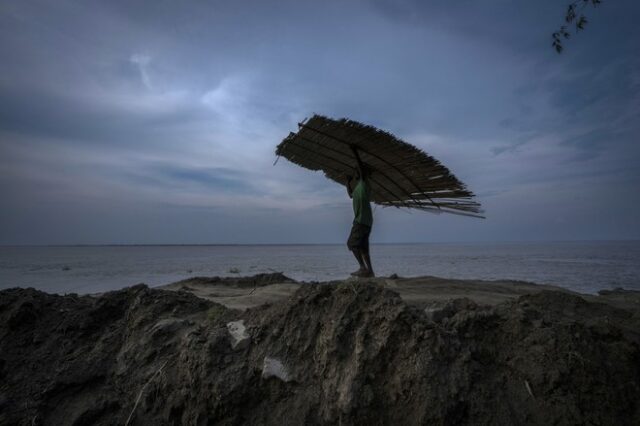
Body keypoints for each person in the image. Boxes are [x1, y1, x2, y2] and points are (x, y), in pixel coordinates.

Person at [346, 146, 374, 278]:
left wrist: (354, 152)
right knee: (363, 248)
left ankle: (363, 268)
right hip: (366, 221)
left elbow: (361, 169)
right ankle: (370, 272)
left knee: (351, 244)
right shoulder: (358, 188)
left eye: (357, 170)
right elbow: (350, 195)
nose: (356, 172)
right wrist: (347, 182)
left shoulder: (364, 182)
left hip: (361, 220)